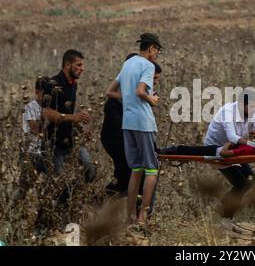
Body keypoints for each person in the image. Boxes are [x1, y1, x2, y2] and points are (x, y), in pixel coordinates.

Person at [105, 33, 163, 224]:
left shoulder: (128, 64)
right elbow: (140, 91)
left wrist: (127, 97)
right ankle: (143, 217)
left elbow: (109, 92)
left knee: (136, 169)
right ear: (151, 48)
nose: (156, 55)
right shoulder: (148, 65)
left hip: (127, 123)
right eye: (157, 51)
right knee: (152, 170)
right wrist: (152, 99)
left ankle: (130, 216)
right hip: (143, 122)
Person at [204, 89, 255, 226]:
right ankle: (226, 218)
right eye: (251, 107)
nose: (254, 110)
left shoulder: (252, 111)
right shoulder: (227, 112)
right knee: (241, 183)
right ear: (241, 105)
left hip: (234, 149)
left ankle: (224, 209)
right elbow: (232, 137)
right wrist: (254, 145)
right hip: (217, 149)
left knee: (250, 179)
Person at [102, 53, 162, 195]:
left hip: (126, 138)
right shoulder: (114, 104)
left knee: (134, 174)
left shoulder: (132, 96)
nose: (153, 83)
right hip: (116, 140)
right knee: (128, 174)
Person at [41, 49, 95, 183]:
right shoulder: (53, 84)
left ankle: (78, 198)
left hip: (71, 140)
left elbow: (69, 114)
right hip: (54, 143)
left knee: (90, 171)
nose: (82, 69)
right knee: (59, 182)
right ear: (67, 65)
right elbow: (46, 112)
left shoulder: (73, 84)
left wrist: (81, 128)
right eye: (79, 65)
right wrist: (73, 118)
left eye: (83, 65)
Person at [160, 137, 255, 157]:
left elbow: (224, 153)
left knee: (190, 150)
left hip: (216, 151)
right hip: (217, 150)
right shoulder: (253, 149)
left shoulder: (249, 149)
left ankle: (165, 152)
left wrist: (229, 142)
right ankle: (168, 151)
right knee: (190, 150)